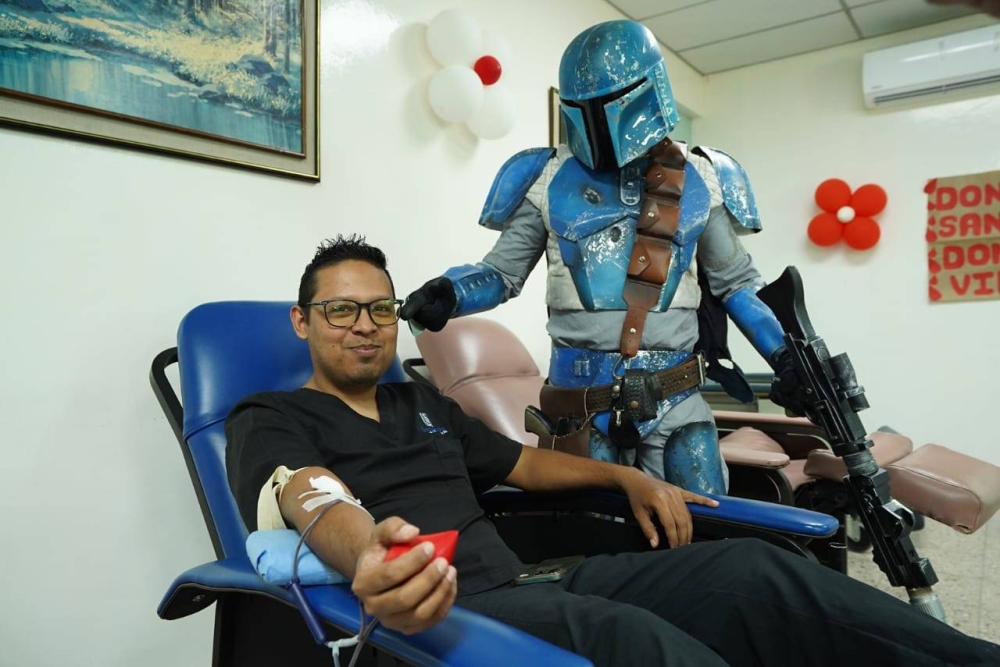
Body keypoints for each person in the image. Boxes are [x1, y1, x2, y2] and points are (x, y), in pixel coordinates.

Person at [225, 235, 999, 667]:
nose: (364, 325)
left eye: (380, 308)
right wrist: (371, 554)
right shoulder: (272, 414)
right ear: (303, 320)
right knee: (644, 645)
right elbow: (307, 491)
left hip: (527, 579)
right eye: (340, 309)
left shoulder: (421, 402)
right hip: (446, 609)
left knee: (753, 570)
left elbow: (525, 463)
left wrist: (626, 476)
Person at [400, 20, 804, 496]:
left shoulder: (703, 176)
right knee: (592, 532)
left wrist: (786, 356)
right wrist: (450, 292)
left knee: (706, 523)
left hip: (675, 398)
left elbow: (736, 283)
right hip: (578, 404)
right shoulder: (544, 176)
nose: (600, 122)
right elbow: (501, 273)